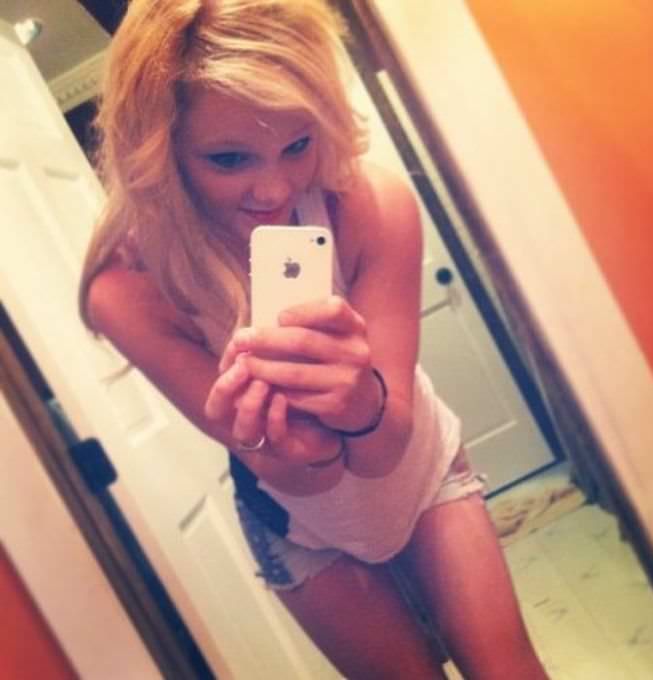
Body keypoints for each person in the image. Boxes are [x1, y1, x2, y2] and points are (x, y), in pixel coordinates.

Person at [79, 1, 548, 678]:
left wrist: (361, 404)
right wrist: (281, 442)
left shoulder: (370, 203)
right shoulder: (127, 286)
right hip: (295, 521)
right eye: (229, 158)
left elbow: (384, 449)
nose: (275, 188)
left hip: (415, 461)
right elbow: (306, 473)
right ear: (159, 149)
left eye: (298, 145)